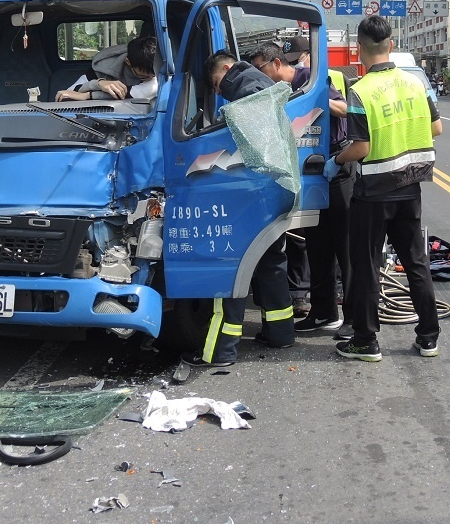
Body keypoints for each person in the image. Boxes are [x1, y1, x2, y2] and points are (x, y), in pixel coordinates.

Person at [334, 15, 443, 362]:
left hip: (373, 192)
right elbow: (436, 127)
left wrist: (336, 159)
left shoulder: (360, 91)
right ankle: (428, 337)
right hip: (410, 187)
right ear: (391, 45)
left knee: (366, 265)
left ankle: (366, 341)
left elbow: (361, 148)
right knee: (416, 262)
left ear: (359, 49)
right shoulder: (416, 84)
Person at [184, 50, 295, 368]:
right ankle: (281, 332)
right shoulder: (259, 84)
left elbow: (243, 143)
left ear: (228, 69)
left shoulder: (246, 88)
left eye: (217, 82)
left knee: (229, 265)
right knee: (270, 262)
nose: (218, 91)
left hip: (249, 193)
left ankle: (220, 351)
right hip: (272, 191)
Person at [249, 40, 354, 338]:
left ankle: (354, 318)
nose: (259, 75)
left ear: (278, 64)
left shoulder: (312, 80)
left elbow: (346, 110)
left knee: (345, 250)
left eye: (261, 69)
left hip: (337, 165)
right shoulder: (274, 92)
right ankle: (323, 313)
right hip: (309, 172)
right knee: (317, 246)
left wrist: (318, 101)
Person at [55, 36, 157, 101]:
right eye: (144, 76)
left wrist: (87, 96)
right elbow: (69, 92)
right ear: (128, 61)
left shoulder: (163, 70)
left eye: (154, 75)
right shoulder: (104, 66)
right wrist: (99, 83)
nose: (152, 78)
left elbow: (137, 94)